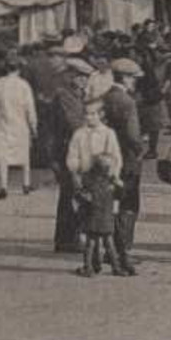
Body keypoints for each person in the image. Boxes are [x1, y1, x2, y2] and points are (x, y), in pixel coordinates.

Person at [104, 57, 146, 270]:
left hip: (110, 156)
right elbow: (133, 135)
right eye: (133, 78)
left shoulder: (106, 97)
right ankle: (124, 250)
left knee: (111, 202)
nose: (135, 83)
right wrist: (141, 149)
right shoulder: (127, 102)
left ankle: (109, 248)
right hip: (128, 157)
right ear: (125, 78)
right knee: (129, 204)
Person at [50, 57, 95, 253]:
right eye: (80, 77)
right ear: (70, 76)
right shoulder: (64, 97)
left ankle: (70, 237)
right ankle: (66, 240)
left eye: (86, 77)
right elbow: (74, 124)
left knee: (73, 194)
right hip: (66, 152)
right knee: (70, 195)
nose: (84, 81)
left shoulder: (76, 96)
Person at [0, 55, 37, 198]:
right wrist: (34, 125)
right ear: (19, 69)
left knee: (3, 156)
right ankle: (26, 184)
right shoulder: (24, 85)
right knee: (24, 155)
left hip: (2, 125)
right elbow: (30, 109)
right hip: (21, 125)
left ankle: (3, 186)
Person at [75, 156, 125, 278]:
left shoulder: (89, 181)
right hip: (107, 217)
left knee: (90, 243)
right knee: (110, 244)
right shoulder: (111, 182)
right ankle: (116, 267)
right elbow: (121, 195)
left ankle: (88, 267)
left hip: (93, 216)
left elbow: (81, 196)